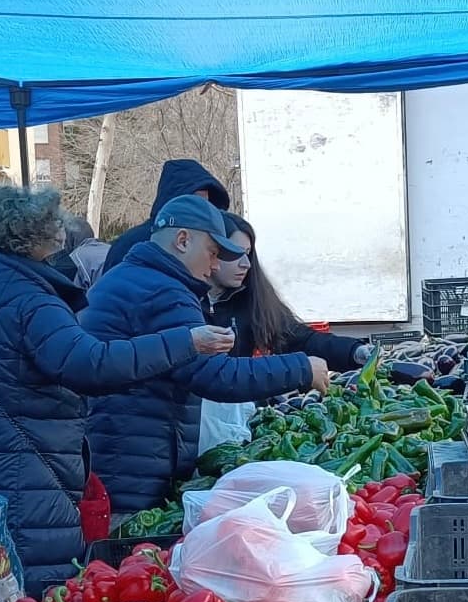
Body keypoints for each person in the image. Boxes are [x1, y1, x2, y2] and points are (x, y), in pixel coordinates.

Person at [0, 184, 236, 590]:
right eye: (54, 224)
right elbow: (90, 365)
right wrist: (186, 341)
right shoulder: (32, 299)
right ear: (33, 234)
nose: (61, 232)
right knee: (37, 592)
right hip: (32, 471)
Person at [82, 196, 329, 518]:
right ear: (183, 240)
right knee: (132, 541)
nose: (214, 266)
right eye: (213, 253)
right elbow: (214, 376)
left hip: (121, 449)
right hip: (132, 460)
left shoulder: (134, 278)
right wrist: (301, 368)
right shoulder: (163, 290)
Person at [208, 212, 372, 366]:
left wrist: (354, 351)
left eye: (247, 253)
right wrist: (299, 369)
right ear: (211, 250)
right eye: (235, 252)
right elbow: (217, 372)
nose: (246, 263)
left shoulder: (250, 297)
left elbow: (299, 339)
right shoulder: (193, 303)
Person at [101, 158, 232, 276]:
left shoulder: (201, 244)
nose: (203, 209)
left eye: (207, 203)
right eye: (197, 201)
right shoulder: (131, 244)